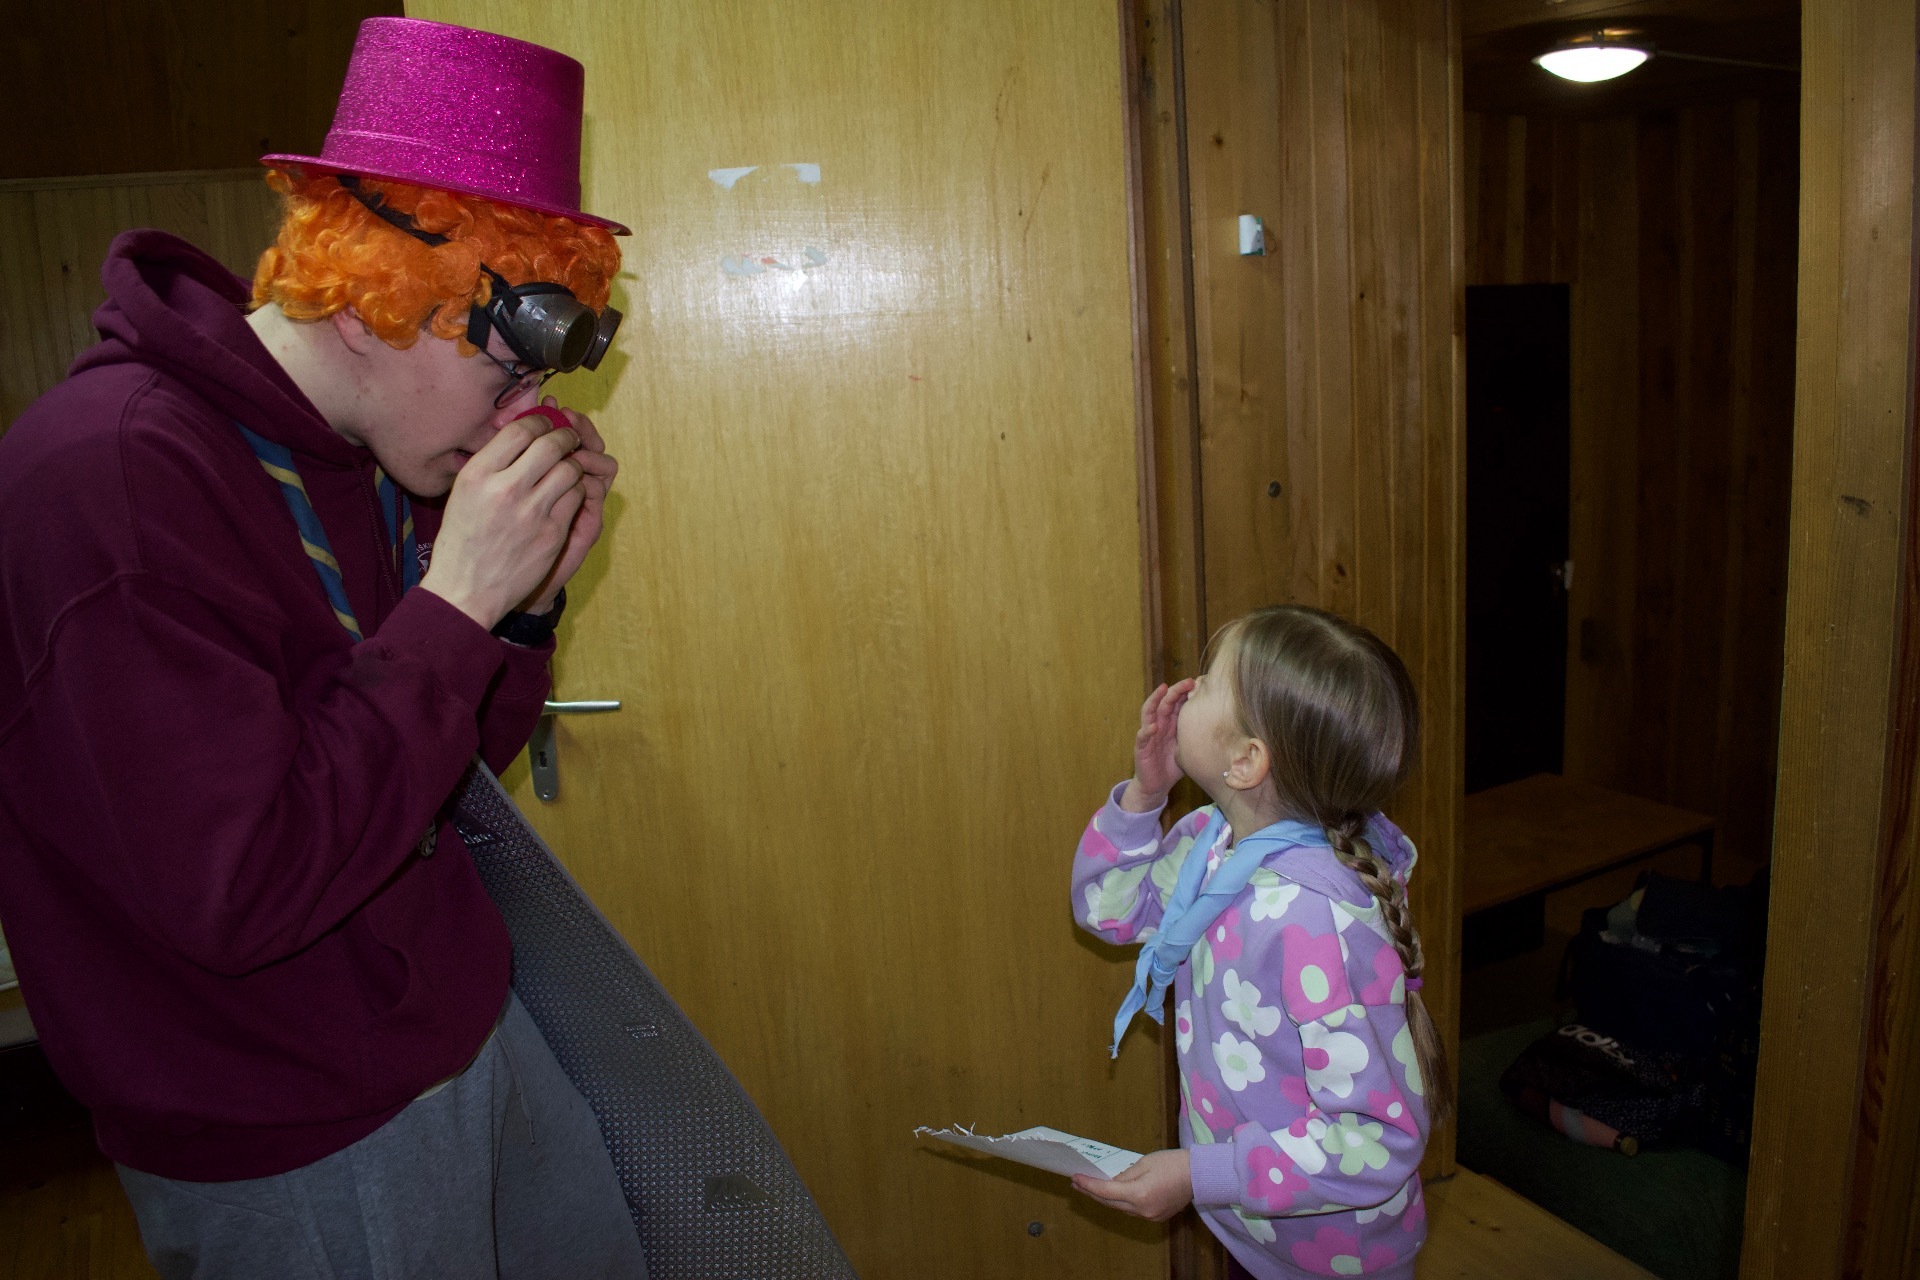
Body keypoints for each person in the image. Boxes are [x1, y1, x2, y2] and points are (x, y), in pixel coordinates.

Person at [0, 18, 649, 1279]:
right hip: (285, 1124)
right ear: (368, 300)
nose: (521, 419)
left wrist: (515, 613)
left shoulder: (378, 457)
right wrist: (456, 604)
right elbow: (243, 886)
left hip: (462, 1032)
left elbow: (442, 781)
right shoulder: (107, 483)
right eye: (507, 369)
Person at [1067, 605, 1449, 1279]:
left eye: (1208, 680)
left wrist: (1201, 1173)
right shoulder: (1212, 842)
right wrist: (1145, 796)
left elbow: (1379, 1140)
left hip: (1332, 1256)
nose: (1186, 688)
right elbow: (1108, 909)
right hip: (1253, 1225)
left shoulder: (1317, 924)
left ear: (1246, 760)